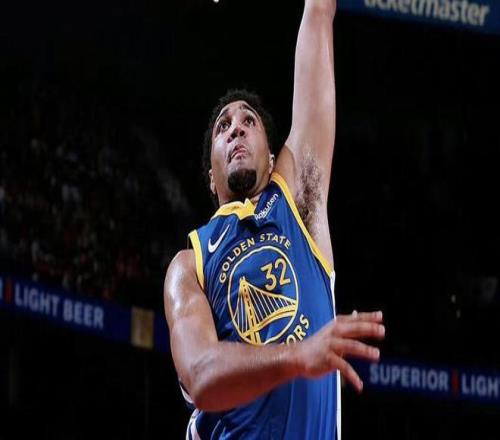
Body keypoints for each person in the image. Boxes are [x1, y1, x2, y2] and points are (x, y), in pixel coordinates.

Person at [164, 0, 385, 438]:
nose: (236, 128)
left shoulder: (298, 202)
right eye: (223, 126)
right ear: (211, 176)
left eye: (248, 121)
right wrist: (299, 355)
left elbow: (318, 12)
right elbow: (201, 374)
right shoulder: (190, 265)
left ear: (271, 157)